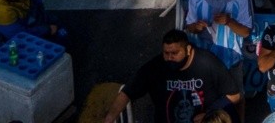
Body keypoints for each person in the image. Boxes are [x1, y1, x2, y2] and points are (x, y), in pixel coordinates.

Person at [103, 28, 241, 123]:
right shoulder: (156, 67)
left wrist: (209, 114)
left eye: (174, 53)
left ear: (188, 50)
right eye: (166, 53)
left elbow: (234, 95)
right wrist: (109, 119)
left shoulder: (207, 63)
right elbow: (127, 92)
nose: (169, 58)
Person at [185, 0, 253, 106]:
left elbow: (246, 32)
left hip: (232, 56)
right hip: (205, 58)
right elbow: (189, 25)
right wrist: (196, 27)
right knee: (206, 99)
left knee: (237, 98)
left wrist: (229, 22)